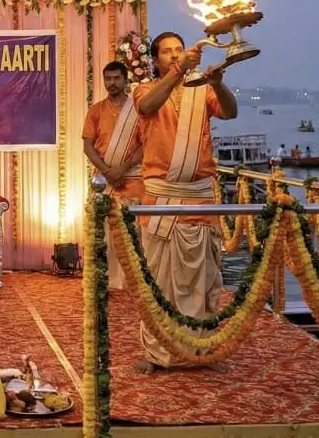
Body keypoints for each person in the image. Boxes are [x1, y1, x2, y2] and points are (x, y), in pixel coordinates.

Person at [131, 31, 238, 373]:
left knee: (204, 279)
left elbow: (231, 113)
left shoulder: (202, 90)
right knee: (158, 281)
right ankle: (156, 353)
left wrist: (218, 83)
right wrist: (180, 73)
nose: (175, 56)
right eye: (167, 52)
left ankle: (202, 350)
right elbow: (148, 108)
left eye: (179, 50)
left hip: (199, 199)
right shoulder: (145, 90)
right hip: (161, 199)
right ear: (155, 59)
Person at [82, 60, 145, 291]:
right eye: (107, 79)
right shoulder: (96, 110)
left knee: (133, 233)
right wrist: (109, 172)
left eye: (116, 78)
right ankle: (106, 281)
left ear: (126, 80)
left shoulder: (138, 109)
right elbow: (88, 147)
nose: (112, 83)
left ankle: (134, 283)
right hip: (104, 182)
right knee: (104, 235)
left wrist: (124, 167)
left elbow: (145, 145)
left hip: (133, 181)